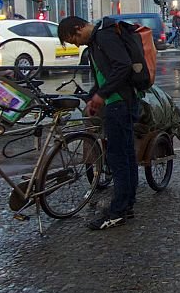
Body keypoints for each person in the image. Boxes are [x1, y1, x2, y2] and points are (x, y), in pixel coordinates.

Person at [57, 15, 139, 230]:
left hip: (119, 103)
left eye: (73, 39)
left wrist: (102, 95)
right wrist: (94, 96)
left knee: (118, 158)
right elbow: (104, 74)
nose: (76, 44)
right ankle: (126, 204)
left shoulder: (104, 36)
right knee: (126, 156)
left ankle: (118, 211)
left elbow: (123, 66)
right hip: (119, 101)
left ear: (78, 28)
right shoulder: (98, 40)